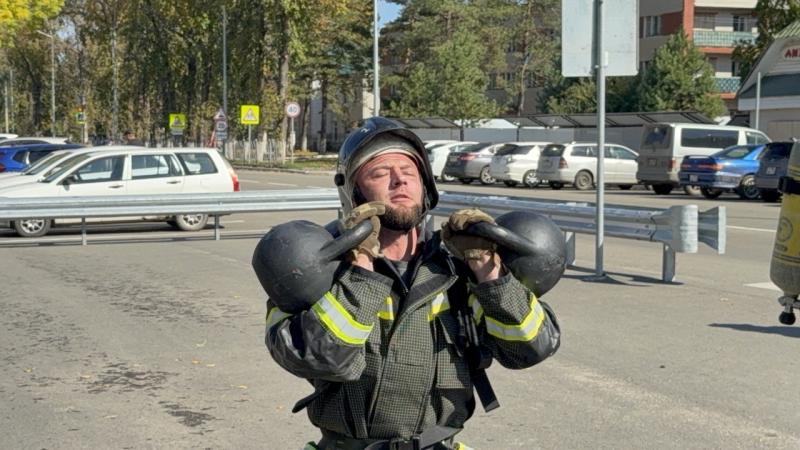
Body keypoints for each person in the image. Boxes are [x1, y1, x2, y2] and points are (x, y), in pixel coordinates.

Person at [263, 117, 561, 450]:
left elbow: (529, 349)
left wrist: (486, 268)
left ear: (425, 185)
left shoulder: (457, 271)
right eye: (380, 173)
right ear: (353, 192)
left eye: (409, 171)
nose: (399, 180)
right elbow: (315, 358)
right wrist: (362, 267)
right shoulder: (318, 270)